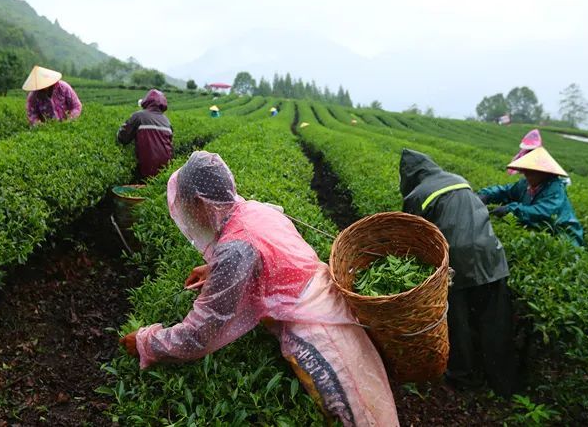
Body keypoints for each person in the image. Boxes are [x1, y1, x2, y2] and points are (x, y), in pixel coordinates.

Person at [119, 152, 399, 426]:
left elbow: (201, 333)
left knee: (361, 413)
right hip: (328, 299)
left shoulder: (236, 250)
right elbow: (267, 253)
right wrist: (213, 270)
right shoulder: (254, 209)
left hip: (316, 329)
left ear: (200, 202)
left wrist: (147, 342)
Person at [399, 148, 517, 397]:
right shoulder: (458, 179)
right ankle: (504, 383)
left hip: (457, 261)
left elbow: (412, 235)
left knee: (457, 320)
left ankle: (463, 378)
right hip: (491, 253)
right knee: (495, 320)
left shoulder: (417, 194)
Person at [479, 147, 584, 246]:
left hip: (565, 240)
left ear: (543, 173)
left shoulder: (555, 189)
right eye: (525, 171)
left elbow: (543, 212)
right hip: (542, 234)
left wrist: (510, 209)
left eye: (530, 172)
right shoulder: (526, 184)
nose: (526, 174)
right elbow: (506, 191)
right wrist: (486, 195)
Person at [117, 89, 173, 179]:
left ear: (146, 102)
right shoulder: (167, 121)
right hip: (165, 169)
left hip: (146, 167)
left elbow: (123, 138)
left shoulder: (139, 116)